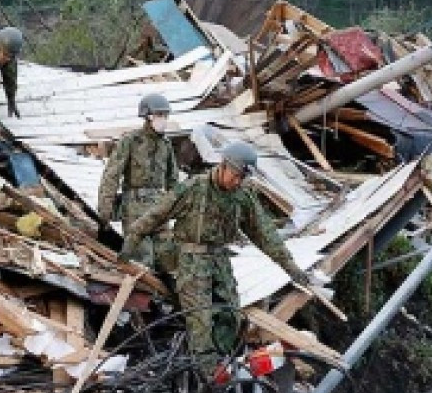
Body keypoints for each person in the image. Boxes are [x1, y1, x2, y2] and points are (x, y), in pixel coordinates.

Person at [123, 141, 311, 368]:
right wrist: (130, 244)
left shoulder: (243, 196)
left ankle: (222, 364)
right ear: (223, 166)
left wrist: (290, 266)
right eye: (235, 175)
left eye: (242, 178)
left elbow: (264, 233)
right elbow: (155, 215)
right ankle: (205, 374)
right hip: (191, 261)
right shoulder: (194, 188)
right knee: (200, 319)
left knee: (231, 315)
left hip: (220, 260)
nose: (237, 181)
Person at [97, 93, 178, 269]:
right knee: (142, 260)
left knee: (169, 259)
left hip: (159, 209)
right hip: (135, 209)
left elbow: (173, 181)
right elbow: (111, 175)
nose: (163, 120)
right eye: (159, 116)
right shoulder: (130, 141)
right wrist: (105, 211)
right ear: (148, 117)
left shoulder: (166, 145)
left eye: (165, 116)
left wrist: (176, 211)